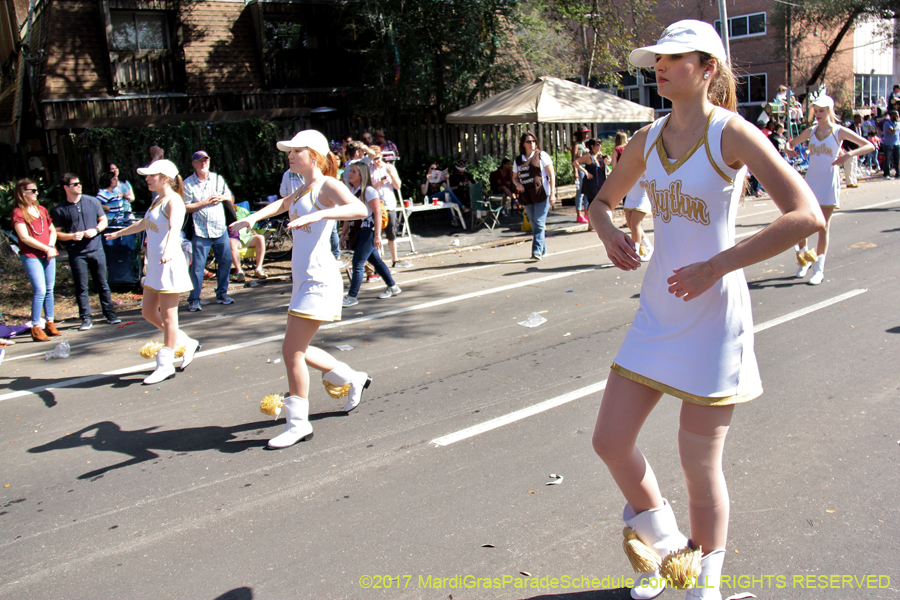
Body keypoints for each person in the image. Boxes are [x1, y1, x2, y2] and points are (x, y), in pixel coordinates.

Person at [587, 20, 824, 600]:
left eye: (675, 59)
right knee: (610, 441)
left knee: (698, 462)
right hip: (657, 315)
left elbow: (806, 214)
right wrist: (610, 233)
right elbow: (601, 201)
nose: (660, 67)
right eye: (658, 60)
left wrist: (717, 265)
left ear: (708, 68)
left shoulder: (731, 134)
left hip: (715, 315)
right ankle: (670, 552)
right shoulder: (647, 139)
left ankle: (703, 588)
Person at [229, 130, 371, 449]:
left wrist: (321, 213)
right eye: (289, 151)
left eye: (297, 150)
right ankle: (352, 378)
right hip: (303, 279)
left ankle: (298, 424)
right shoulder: (302, 188)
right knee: (298, 349)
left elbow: (359, 210)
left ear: (315, 155)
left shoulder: (326, 185)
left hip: (319, 278)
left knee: (291, 351)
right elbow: (281, 204)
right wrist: (251, 219)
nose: (290, 156)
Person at [105, 160, 199, 385]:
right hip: (156, 265)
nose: (147, 179)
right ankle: (185, 342)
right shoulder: (157, 200)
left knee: (168, 316)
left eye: (151, 175)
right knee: (147, 312)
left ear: (165, 178)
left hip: (169, 263)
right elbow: (144, 224)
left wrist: (168, 249)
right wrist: (119, 233)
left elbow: (175, 227)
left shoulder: (174, 200)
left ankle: (166, 363)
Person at [786, 95, 873, 285]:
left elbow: (869, 145)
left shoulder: (839, 131)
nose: (818, 114)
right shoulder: (811, 131)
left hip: (828, 183)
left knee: (823, 227)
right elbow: (790, 143)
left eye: (822, 110)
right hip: (810, 182)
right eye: (816, 110)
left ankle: (819, 270)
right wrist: (788, 149)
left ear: (829, 111)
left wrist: (848, 155)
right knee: (802, 224)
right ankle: (804, 261)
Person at [51, 173, 120, 331]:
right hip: (76, 252)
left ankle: (109, 314)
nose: (79, 186)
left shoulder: (92, 201)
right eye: (75, 184)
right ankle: (86, 318)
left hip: (96, 248)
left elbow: (103, 220)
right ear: (66, 187)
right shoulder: (60, 209)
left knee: (102, 283)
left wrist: (96, 230)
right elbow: (56, 233)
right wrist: (71, 236)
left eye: (79, 182)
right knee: (81, 287)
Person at [340, 161, 402, 306]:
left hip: (368, 231)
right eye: (350, 171)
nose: (350, 174)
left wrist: (377, 235)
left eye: (354, 171)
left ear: (362, 175)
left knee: (358, 263)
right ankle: (393, 286)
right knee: (375, 261)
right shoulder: (353, 191)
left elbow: (378, 212)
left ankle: (352, 296)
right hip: (359, 231)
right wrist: (343, 234)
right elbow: (349, 215)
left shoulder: (369, 191)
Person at [183, 150, 236, 311]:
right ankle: (194, 299)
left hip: (220, 228)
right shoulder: (188, 183)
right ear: (194, 164)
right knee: (197, 267)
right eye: (200, 161)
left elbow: (231, 198)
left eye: (205, 160)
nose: (203, 163)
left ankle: (222, 294)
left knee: (225, 262)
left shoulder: (218, 179)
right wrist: (204, 203)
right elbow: (185, 207)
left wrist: (223, 197)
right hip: (200, 230)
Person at [11, 179, 60, 342]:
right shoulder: (18, 212)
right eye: (32, 190)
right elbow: (24, 237)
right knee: (40, 290)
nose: (36, 193)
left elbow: (52, 230)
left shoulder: (42, 210)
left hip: (48, 254)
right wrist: (46, 248)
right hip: (31, 255)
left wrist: (50, 246)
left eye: (36, 190)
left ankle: (50, 322)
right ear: (22, 193)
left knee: (49, 289)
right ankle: (36, 326)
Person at [513, 132, 556, 260]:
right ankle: (543, 249)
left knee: (539, 222)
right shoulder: (518, 160)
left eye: (533, 141)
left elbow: (551, 174)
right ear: (523, 144)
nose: (531, 143)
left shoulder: (541, 155)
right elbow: (514, 177)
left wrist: (552, 193)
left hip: (542, 193)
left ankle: (536, 251)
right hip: (527, 195)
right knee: (535, 223)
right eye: (528, 141)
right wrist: (517, 184)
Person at [611, 133, 652, 260]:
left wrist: (646, 183)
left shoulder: (647, 158)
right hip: (630, 195)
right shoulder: (629, 160)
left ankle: (636, 252)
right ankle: (649, 247)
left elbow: (653, 178)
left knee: (635, 225)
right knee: (631, 225)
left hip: (642, 196)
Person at [368, 146, 408, 268]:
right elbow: (367, 188)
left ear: (381, 156)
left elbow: (398, 185)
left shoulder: (389, 167)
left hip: (389, 204)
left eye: (378, 158)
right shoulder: (369, 169)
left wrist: (391, 174)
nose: (377, 161)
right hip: (376, 205)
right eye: (374, 159)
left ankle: (395, 259)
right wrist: (378, 184)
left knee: (391, 233)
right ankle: (378, 262)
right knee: (377, 234)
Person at [229, 205, 267, 282]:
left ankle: (258, 269)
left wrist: (254, 231)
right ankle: (239, 272)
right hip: (235, 239)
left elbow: (253, 226)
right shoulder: (222, 212)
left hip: (246, 237)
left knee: (260, 238)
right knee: (231, 242)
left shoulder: (243, 211)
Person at [571, 126, 591, 223]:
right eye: (584, 133)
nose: (586, 134)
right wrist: (575, 171)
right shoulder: (577, 144)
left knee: (587, 192)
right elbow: (574, 158)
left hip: (586, 168)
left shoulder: (585, 143)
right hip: (580, 169)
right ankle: (579, 214)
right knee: (580, 192)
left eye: (587, 133)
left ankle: (586, 213)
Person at [878, 110, 899, 178]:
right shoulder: (887, 124)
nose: (897, 116)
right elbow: (892, 131)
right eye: (895, 115)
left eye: (898, 115)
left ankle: (898, 173)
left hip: (897, 144)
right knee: (888, 160)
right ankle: (886, 174)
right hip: (888, 145)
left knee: (897, 160)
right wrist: (897, 125)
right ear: (891, 116)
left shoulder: (898, 123)